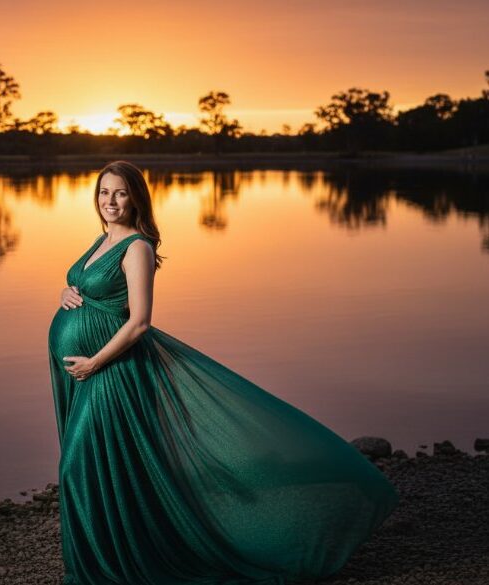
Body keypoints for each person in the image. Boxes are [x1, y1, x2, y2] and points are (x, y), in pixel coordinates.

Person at [47, 160, 399, 585]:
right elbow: (87, 288)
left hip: (111, 372)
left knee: (78, 467)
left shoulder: (137, 247)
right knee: (101, 466)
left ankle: (112, 564)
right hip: (85, 372)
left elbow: (139, 322)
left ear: (136, 198)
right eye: (104, 192)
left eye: (120, 192)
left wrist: (95, 361)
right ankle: (108, 555)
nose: (111, 201)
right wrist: (68, 291)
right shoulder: (102, 239)